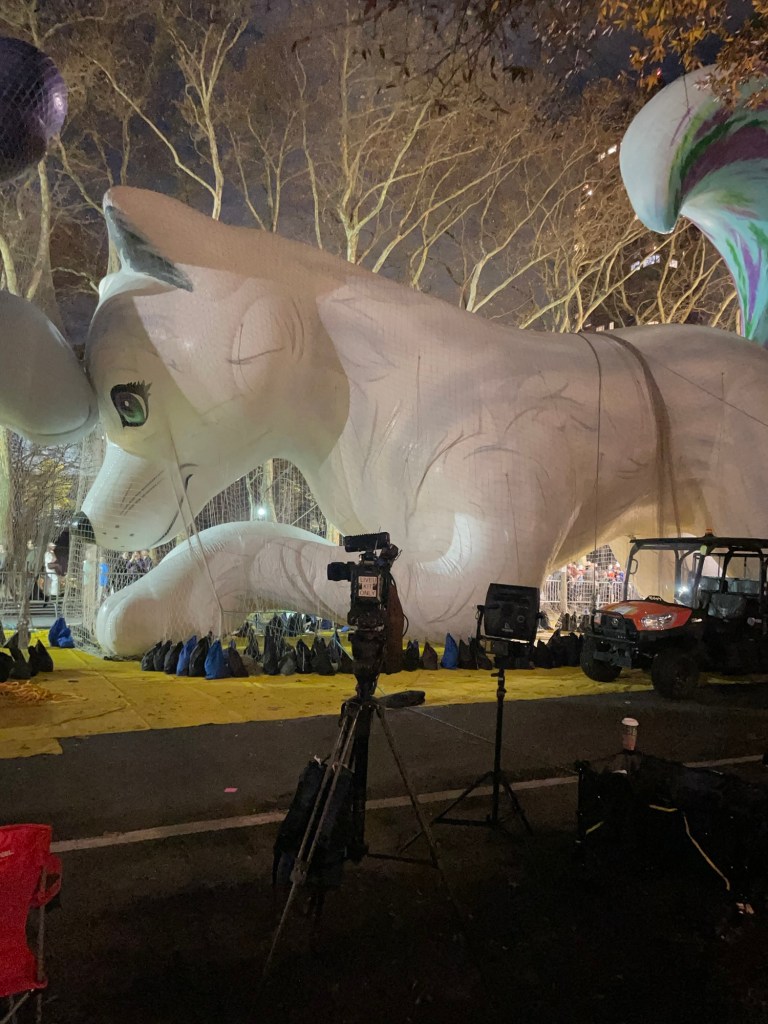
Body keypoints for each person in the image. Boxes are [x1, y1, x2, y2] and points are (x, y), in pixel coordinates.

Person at [43, 541, 63, 606]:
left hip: (51, 570)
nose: (54, 547)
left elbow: (55, 559)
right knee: (55, 579)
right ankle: (53, 593)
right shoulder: (47, 553)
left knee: (55, 579)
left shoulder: (51, 553)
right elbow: (52, 560)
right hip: (49, 570)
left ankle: (53, 594)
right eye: (52, 546)